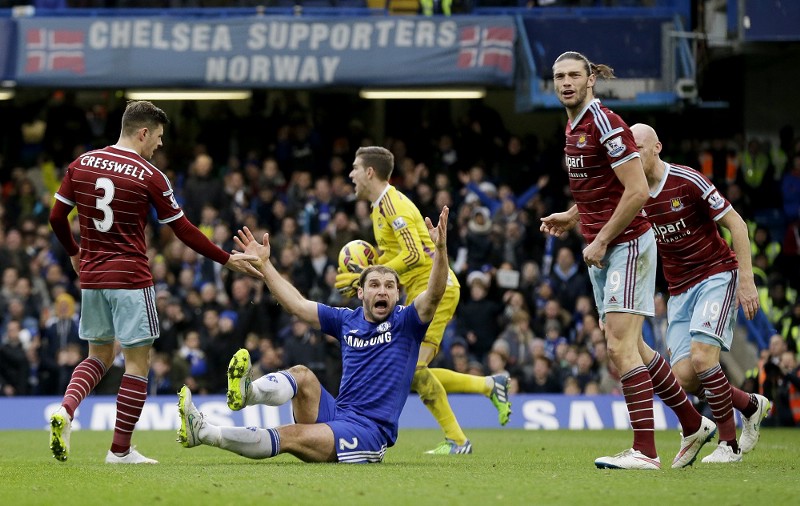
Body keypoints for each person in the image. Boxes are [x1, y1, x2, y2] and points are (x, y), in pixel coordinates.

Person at [47, 100, 263, 464]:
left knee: (97, 355)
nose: (159, 145)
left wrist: (74, 252)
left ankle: (66, 410)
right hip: (131, 276)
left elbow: (56, 217)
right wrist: (226, 259)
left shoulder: (81, 164)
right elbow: (183, 230)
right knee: (137, 363)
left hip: (93, 278)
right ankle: (120, 451)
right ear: (143, 132)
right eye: (158, 137)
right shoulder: (148, 175)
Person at [540, 51, 714, 470]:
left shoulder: (604, 122)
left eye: (573, 76)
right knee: (633, 346)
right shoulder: (572, 126)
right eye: (559, 76)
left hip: (626, 244)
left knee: (619, 347)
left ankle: (645, 452)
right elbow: (603, 187)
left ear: (590, 80)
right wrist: (572, 215)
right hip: (604, 246)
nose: (565, 82)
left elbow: (637, 191)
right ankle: (693, 423)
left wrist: (599, 239)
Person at [177, 207, 452, 463]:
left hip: (369, 431)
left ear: (397, 293)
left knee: (290, 434)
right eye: (375, 285)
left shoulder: (406, 321)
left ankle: (203, 432)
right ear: (360, 293)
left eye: (390, 286)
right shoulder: (347, 319)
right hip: (337, 414)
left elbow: (435, 293)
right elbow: (297, 305)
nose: (383, 291)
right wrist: (265, 265)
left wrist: (440, 249)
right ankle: (249, 393)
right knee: (302, 374)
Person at [335, 146, 511, 455]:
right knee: (414, 369)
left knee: (412, 368)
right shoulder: (380, 207)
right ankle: (480, 399)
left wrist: (367, 276)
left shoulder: (391, 204)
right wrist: (365, 275)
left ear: (370, 172)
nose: (351, 174)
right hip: (421, 291)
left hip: (434, 290)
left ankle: (461, 434)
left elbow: (414, 254)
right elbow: (400, 255)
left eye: (355, 168)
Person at [632, 123, 772, 462]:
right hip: (678, 290)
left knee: (702, 358)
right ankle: (751, 406)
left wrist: (746, 280)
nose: (632, 153)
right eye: (627, 148)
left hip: (715, 275)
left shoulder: (687, 180)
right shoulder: (632, 191)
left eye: (638, 146)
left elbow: (736, 224)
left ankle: (729, 444)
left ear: (657, 148)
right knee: (685, 379)